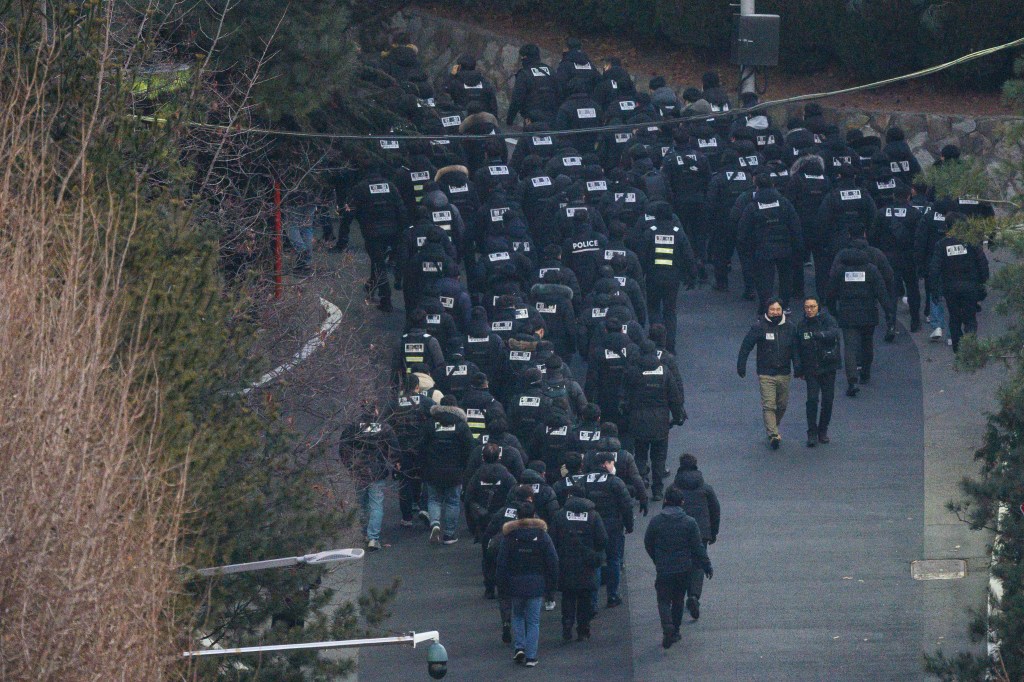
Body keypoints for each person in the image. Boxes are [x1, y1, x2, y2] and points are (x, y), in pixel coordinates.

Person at [643, 486, 712, 649]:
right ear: (682, 502)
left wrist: (656, 558)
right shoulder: (689, 522)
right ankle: (676, 630)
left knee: (663, 600)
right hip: (683, 567)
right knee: (678, 599)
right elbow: (697, 547)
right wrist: (706, 565)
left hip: (664, 568)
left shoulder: (656, 521)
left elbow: (648, 542)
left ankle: (667, 627)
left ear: (665, 501)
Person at [495, 501, 559, 668]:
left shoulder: (509, 537)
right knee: (533, 621)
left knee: (517, 616)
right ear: (534, 515)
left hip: (515, 584)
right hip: (536, 584)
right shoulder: (543, 536)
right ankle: (531, 656)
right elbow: (553, 562)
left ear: (517, 516)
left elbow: (501, 563)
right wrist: (552, 586)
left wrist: (501, 585)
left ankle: (519, 647)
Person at [826, 239, 893, 396]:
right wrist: (889, 312)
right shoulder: (871, 270)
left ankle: (852, 380)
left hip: (847, 313)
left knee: (849, 347)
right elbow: (882, 292)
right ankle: (866, 372)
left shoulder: (840, 271)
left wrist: (832, 309)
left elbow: (830, 292)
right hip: (868, 312)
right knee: (867, 342)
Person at [624, 340, 686, 501]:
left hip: (638, 420)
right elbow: (674, 397)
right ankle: (657, 489)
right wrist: (678, 416)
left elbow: (625, 396)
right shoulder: (664, 372)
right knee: (659, 457)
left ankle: (640, 484)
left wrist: (627, 413)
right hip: (660, 422)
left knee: (640, 455)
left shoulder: (633, 372)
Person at [737, 299, 798, 449]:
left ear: (782, 311)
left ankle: (773, 425)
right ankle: (773, 434)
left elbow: (796, 350)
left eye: (778, 309)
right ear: (767, 311)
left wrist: (798, 367)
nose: (775, 312)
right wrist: (741, 365)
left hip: (784, 372)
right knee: (769, 405)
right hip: (766, 373)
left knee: (782, 405)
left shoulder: (790, 327)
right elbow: (746, 346)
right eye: (772, 310)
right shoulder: (759, 327)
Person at [551, 478, 607, 642]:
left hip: (566, 562)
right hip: (587, 562)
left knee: (568, 597)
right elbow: (603, 539)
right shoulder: (593, 515)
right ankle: (583, 629)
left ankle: (567, 626)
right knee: (585, 598)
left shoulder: (560, 515)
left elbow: (552, 539)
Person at [338, 404, 397, 551]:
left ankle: (363, 533)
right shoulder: (384, 427)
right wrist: (395, 462)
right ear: (376, 410)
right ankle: (373, 538)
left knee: (361, 503)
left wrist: (349, 465)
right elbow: (394, 446)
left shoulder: (353, 427)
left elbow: (343, 447)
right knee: (376, 505)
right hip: (377, 471)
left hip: (359, 471)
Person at [928, 213, 990, 352]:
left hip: (951, 289)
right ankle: (970, 345)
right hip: (970, 287)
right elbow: (983, 264)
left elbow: (934, 269)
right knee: (970, 319)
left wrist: (934, 290)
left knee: (954, 318)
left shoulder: (941, 245)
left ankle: (957, 348)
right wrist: (984, 285)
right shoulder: (972, 243)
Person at [670, 454, 721, 621]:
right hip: (701, 531)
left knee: (681, 563)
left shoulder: (672, 489)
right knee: (698, 564)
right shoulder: (706, 488)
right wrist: (713, 532)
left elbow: (666, 512)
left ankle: (682, 593)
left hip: (678, 532)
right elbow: (715, 511)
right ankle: (694, 595)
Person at [419, 396, 475, 545]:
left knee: (434, 499)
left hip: (433, 470)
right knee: (452, 502)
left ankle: (435, 523)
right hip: (454, 471)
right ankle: (449, 535)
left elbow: (421, 446)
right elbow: (470, 449)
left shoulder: (431, 424)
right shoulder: (461, 425)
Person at [585, 451, 633, 608]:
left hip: (591, 527)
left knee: (595, 562)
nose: (614, 467)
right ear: (605, 464)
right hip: (613, 526)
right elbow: (626, 505)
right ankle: (613, 595)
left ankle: (593, 601)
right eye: (612, 463)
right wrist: (629, 524)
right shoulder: (616, 482)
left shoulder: (586, 481)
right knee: (613, 560)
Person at [793, 297, 841, 445]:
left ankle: (823, 430)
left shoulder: (828, 320)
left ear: (818, 307)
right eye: (807, 307)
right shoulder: (801, 325)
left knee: (828, 400)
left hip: (828, 367)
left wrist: (819, 335)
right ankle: (812, 432)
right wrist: (798, 368)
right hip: (810, 369)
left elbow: (834, 333)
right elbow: (796, 348)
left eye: (813, 306)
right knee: (812, 400)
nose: (810, 310)